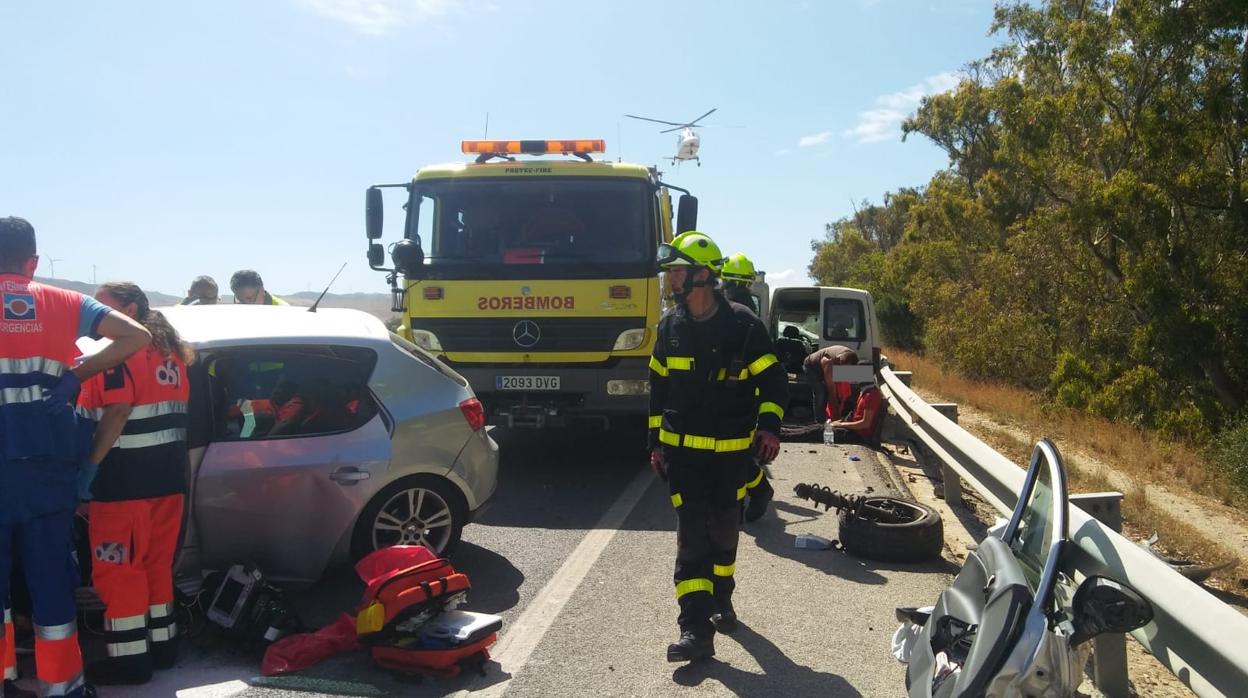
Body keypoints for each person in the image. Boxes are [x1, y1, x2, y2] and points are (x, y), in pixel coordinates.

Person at [0, 217, 151, 698]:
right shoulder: (63, 301)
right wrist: (76, 374)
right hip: (47, 469)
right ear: (33, 262)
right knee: (50, 584)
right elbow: (136, 337)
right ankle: (62, 688)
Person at [649, 231, 787, 663]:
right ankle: (694, 628)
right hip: (683, 457)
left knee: (724, 531)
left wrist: (769, 428)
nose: (671, 281)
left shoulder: (744, 327)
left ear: (702, 275)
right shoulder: (669, 327)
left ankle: (721, 597)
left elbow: (773, 381)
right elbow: (657, 389)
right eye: (670, 273)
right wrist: (655, 442)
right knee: (691, 537)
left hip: (730, 455)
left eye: (677, 272)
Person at [77, 282, 194, 686]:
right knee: (154, 567)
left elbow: (118, 411)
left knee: (119, 572)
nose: (97, 316)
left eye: (104, 307)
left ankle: (129, 663)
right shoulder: (172, 354)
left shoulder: (119, 352)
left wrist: (87, 470)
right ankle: (162, 648)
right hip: (168, 482)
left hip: (123, 484)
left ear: (128, 309)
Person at [718, 253, 775, 521]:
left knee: (735, 456)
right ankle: (752, 495)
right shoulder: (751, 312)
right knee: (734, 455)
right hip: (743, 397)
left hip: (740, 398)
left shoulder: (733, 314)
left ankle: (753, 495)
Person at [803, 345, 856, 422]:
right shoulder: (829, 362)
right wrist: (837, 419)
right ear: (839, 361)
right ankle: (819, 421)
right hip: (812, 367)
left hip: (833, 365)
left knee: (843, 389)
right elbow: (831, 392)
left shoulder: (852, 357)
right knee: (821, 392)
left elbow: (857, 375)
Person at [827, 377, 885, 446]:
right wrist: (840, 423)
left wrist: (841, 425)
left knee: (820, 432)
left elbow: (865, 423)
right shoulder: (865, 392)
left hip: (860, 435)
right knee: (821, 427)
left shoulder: (871, 395)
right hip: (855, 431)